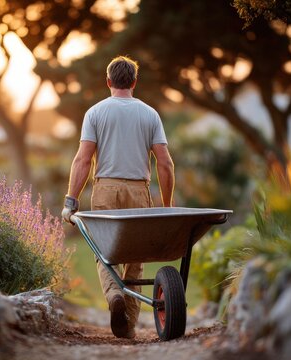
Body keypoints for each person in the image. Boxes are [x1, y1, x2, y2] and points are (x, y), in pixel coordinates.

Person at [61, 55, 175, 339]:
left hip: (105, 190)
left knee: (105, 254)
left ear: (108, 81)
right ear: (135, 82)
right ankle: (130, 327)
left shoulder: (95, 113)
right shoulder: (150, 114)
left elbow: (83, 161)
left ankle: (114, 295)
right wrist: (167, 206)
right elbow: (165, 163)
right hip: (139, 190)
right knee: (135, 260)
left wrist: (70, 200)